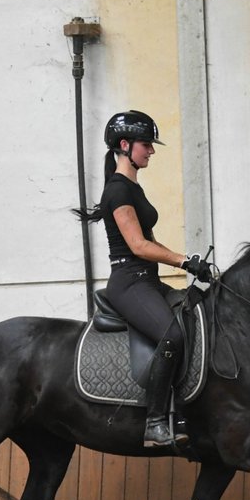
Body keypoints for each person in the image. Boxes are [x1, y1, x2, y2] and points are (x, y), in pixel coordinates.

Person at [76, 110, 213, 448]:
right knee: (172, 335)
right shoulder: (118, 191)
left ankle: (182, 410)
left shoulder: (133, 187)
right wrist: (184, 262)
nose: (150, 151)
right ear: (125, 146)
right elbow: (137, 246)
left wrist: (188, 260)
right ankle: (154, 421)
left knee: (194, 317)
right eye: (146, 145)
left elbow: (149, 241)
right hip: (128, 282)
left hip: (146, 280)